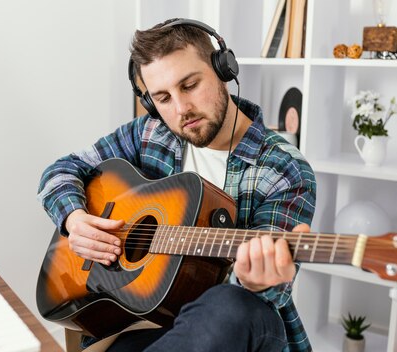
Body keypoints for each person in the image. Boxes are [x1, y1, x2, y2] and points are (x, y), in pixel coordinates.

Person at [37, 18, 316, 352]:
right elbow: (62, 169)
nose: (181, 109)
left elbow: (269, 294)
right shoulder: (149, 133)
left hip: (228, 330)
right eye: (163, 98)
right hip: (137, 321)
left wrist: (255, 279)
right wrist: (74, 219)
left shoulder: (285, 168)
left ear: (222, 70)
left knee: (233, 306)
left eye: (189, 85)